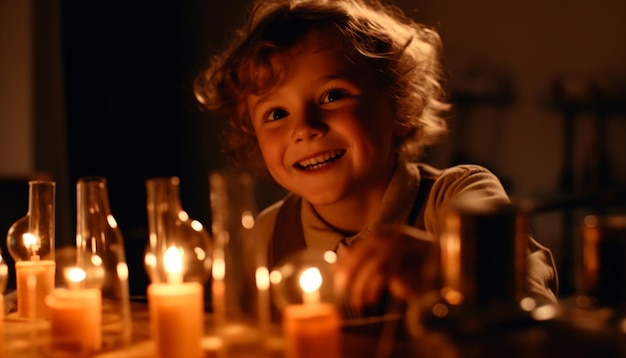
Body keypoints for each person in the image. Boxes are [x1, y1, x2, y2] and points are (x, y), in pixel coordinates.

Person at [194, 0, 558, 319]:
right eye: (275, 115)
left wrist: (445, 267)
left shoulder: (459, 197)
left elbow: (536, 319)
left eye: (332, 95)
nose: (304, 128)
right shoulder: (264, 236)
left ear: (399, 107)